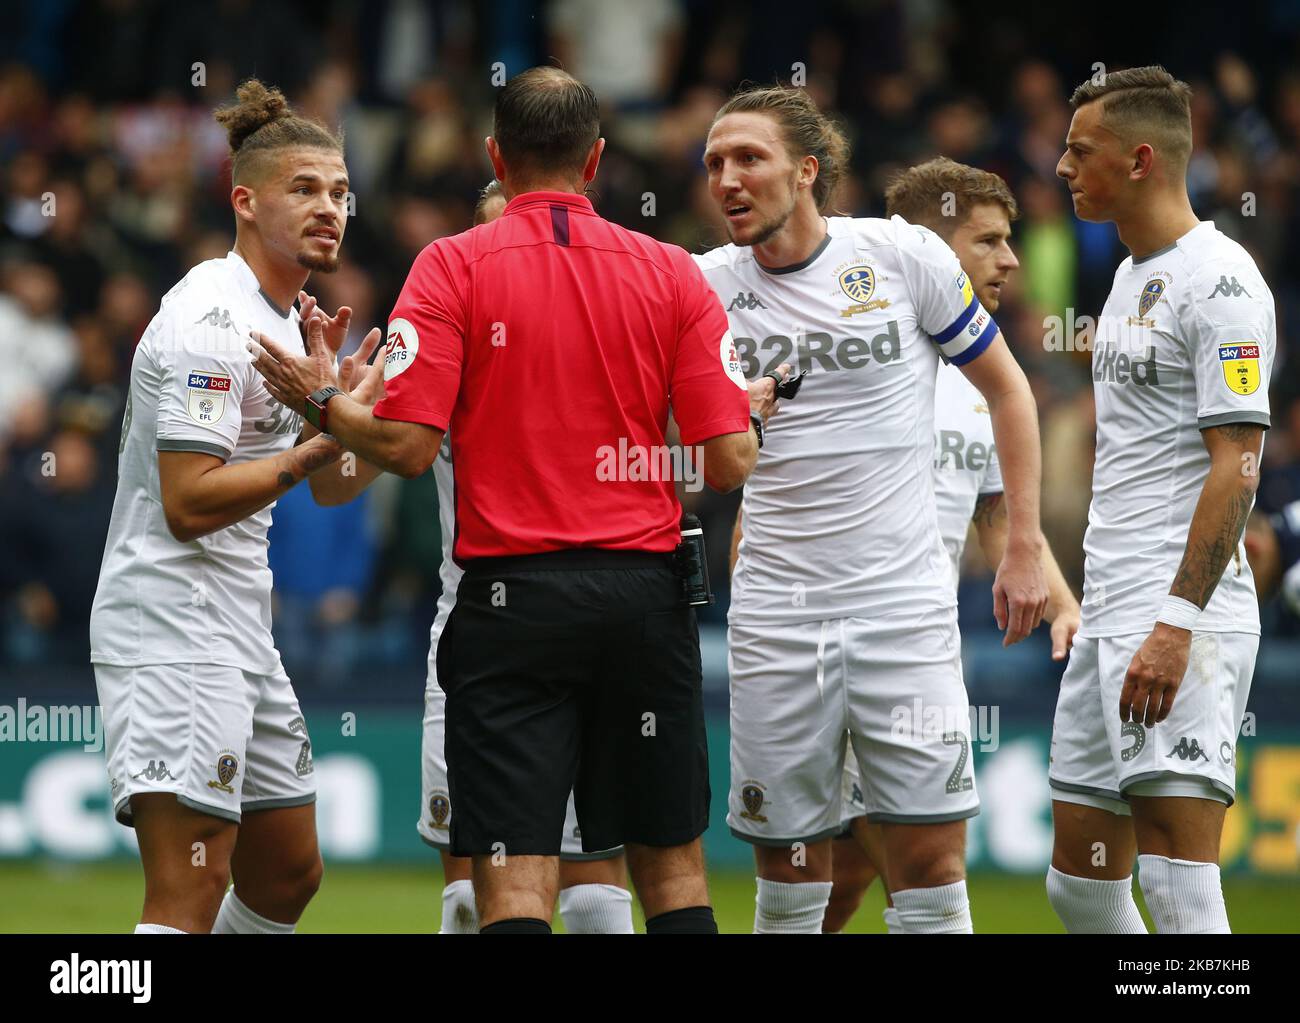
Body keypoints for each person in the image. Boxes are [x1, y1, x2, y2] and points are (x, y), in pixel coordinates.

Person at [249, 67, 764, 934]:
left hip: (509, 604)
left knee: (511, 880)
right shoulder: (676, 275)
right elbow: (727, 463)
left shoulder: (449, 267)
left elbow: (407, 448)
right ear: (596, 159)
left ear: (495, 154)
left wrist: (322, 402)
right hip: (646, 600)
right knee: (672, 873)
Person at [697, 85, 1048, 935]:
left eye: (750, 158)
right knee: (789, 879)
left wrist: (1025, 545)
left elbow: (1008, 390)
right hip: (777, 616)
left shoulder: (900, 256)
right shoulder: (700, 287)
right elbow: (684, 456)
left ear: (808, 171)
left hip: (903, 613)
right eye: (714, 164)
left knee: (929, 871)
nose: (727, 179)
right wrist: (722, 419)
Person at [89, 80, 378, 934]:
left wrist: (356, 417)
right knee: (192, 883)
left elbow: (330, 485)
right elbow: (186, 502)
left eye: (337, 192)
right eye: (304, 189)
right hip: (170, 618)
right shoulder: (212, 321)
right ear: (243, 200)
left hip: (237, 619)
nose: (329, 208)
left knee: (289, 869)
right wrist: (320, 441)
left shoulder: (290, 324)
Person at [799, 157, 1084, 933]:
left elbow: (996, 515)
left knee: (854, 877)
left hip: (918, 651)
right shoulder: (848, 358)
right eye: (988, 240)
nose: (1011, 260)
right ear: (928, 249)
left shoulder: (986, 377)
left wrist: (1064, 607)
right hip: (826, 652)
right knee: (890, 874)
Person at [1049, 65, 1275, 934]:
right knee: (1082, 886)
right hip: (1112, 606)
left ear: (1141, 159)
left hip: (1180, 614)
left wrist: (1177, 619)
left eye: (1082, 149)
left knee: (1179, 887)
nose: (1064, 166)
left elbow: (1239, 464)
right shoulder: (1129, 276)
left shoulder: (1222, 282)